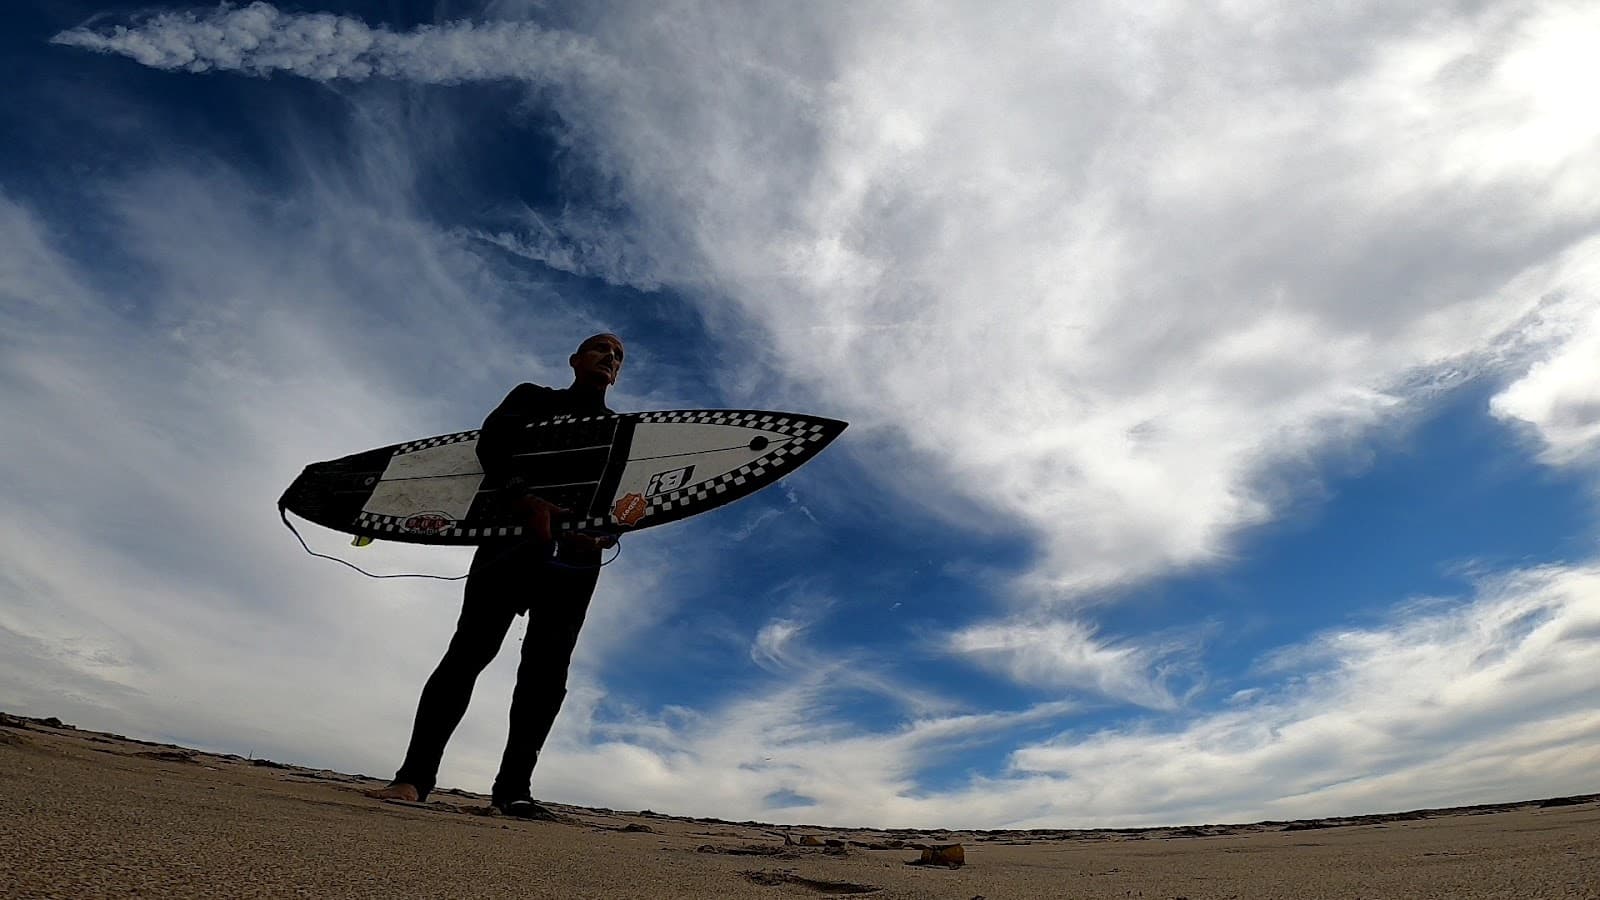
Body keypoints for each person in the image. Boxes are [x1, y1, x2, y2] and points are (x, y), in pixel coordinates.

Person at [366, 333, 625, 818]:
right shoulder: (532, 398)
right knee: (468, 653)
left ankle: (514, 791)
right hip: (510, 538)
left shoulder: (619, 429)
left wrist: (602, 534)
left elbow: (618, 497)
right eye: (599, 349)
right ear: (574, 360)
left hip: (574, 557)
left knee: (547, 673)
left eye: (618, 356)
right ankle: (413, 779)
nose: (609, 357)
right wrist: (523, 499)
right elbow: (493, 446)